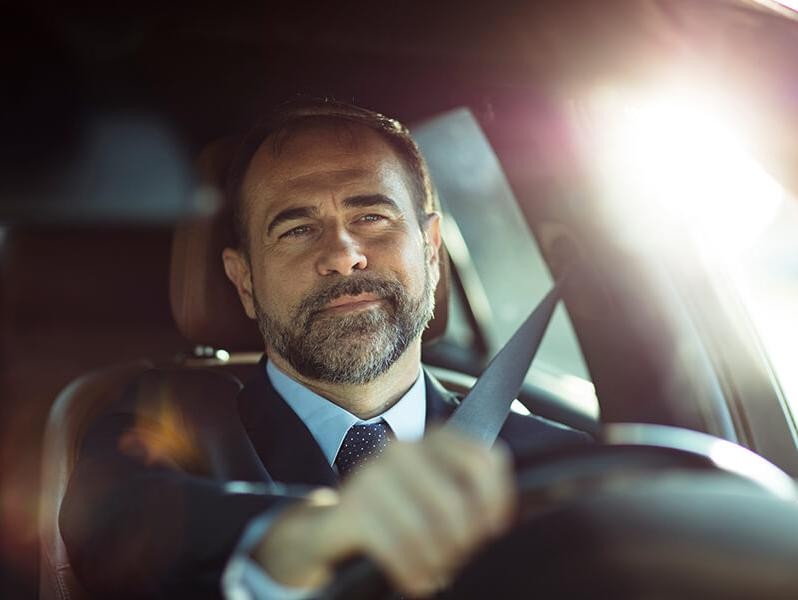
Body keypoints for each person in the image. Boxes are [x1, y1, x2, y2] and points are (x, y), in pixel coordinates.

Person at [60, 100, 590, 599]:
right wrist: (312, 536)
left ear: (431, 253)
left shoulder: (560, 465)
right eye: (297, 229)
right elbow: (116, 524)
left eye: (371, 217)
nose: (342, 254)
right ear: (244, 280)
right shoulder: (168, 420)